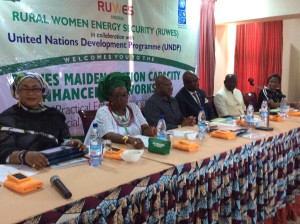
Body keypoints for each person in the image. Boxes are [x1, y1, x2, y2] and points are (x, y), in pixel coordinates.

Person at [0, 72, 85, 169]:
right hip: (21, 172)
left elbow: (62, 140)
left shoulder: (54, 115)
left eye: (36, 88)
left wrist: (70, 143)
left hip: (53, 167)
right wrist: (24, 156)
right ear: (17, 92)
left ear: (42, 91)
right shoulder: (7, 118)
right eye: (24, 89)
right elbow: (2, 151)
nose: (31, 93)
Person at [84, 72, 155, 149]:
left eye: (125, 94)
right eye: (118, 95)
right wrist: (129, 139)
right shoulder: (103, 112)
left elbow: (144, 128)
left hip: (132, 150)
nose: (123, 98)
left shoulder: (133, 108)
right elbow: (109, 135)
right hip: (104, 153)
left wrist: (154, 131)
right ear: (110, 97)